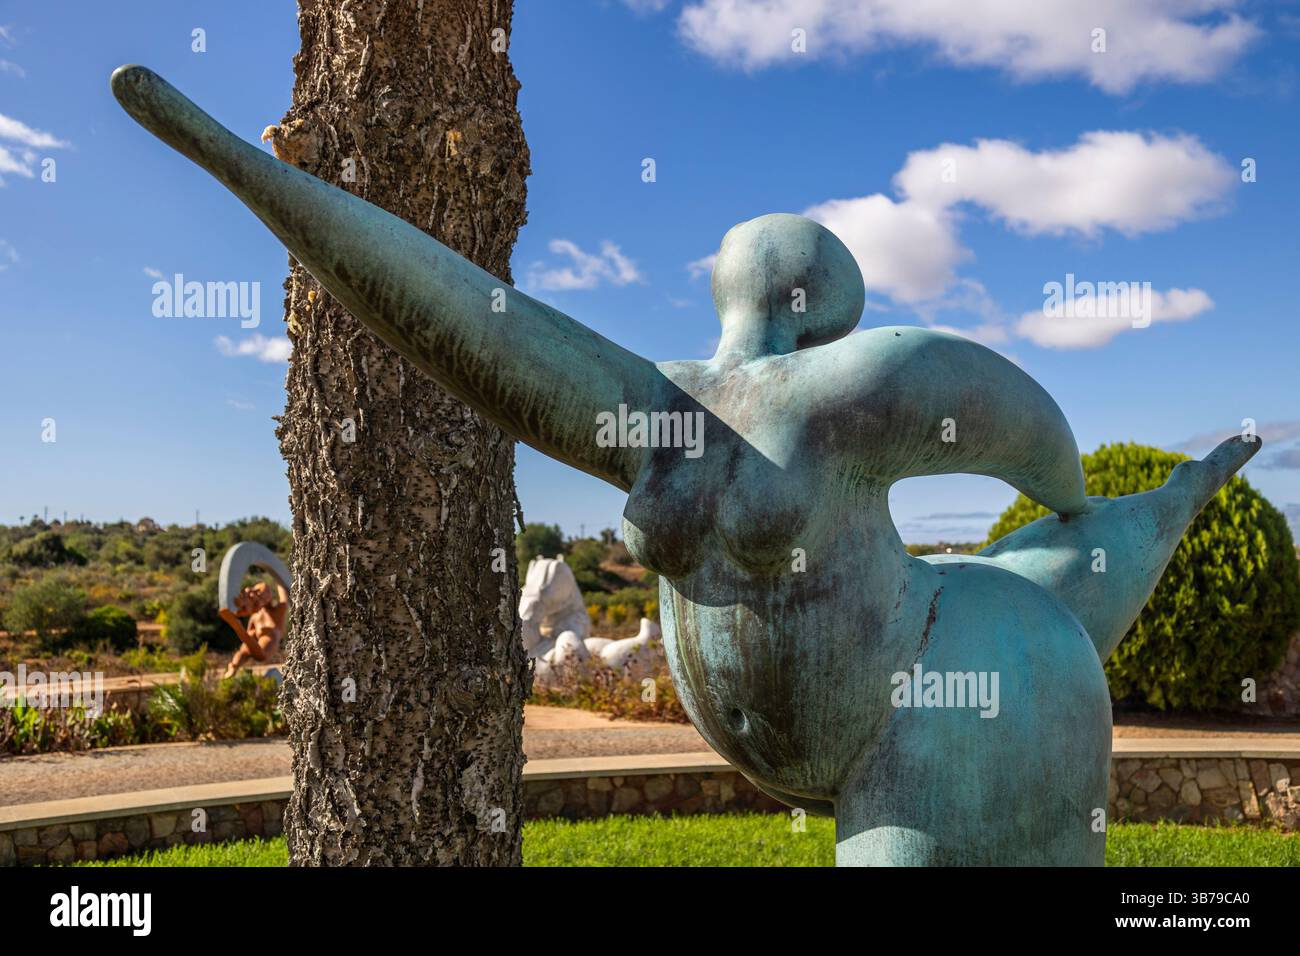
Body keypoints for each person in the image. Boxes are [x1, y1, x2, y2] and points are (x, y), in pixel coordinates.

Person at [112, 65, 1260, 865]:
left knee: (1078, 568)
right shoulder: (667, 399)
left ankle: (1182, 491)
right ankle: (1178, 493)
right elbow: (457, 318)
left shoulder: (843, 392)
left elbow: (1024, 427)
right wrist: (232, 161)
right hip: (859, 721)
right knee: (1084, 543)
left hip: (952, 711)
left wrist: (1065, 496)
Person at [220, 580, 287, 679]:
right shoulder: (255, 616)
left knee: (262, 646)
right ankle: (233, 666)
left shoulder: (278, 611)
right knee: (245, 646)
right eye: (256, 592)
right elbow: (248, 637)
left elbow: (283, 585)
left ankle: (236, 626)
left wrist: (277, 574)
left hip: (267, 647)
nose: (257, 595)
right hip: (254, 644)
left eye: (262, 593)